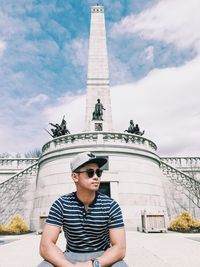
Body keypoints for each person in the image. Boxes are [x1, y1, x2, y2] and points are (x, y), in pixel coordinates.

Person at [38, 152, 128, 267]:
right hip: (71, 256)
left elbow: (120, 248)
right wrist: (68, 265)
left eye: (98, 172)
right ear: (75, 177)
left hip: (102, 257)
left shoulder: (111, 205)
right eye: (90, 173)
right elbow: (46, 246)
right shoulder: (61, 204)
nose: (96, 177)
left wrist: (93, 264)